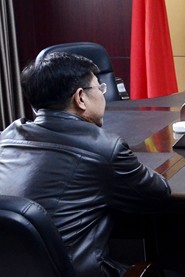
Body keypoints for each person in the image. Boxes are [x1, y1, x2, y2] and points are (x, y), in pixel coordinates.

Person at [0, 52, 171, 277]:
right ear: (80, 98)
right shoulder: (103, 148)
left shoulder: (7, 136)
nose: (102, 95)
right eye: (100, 88)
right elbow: (159, 194)